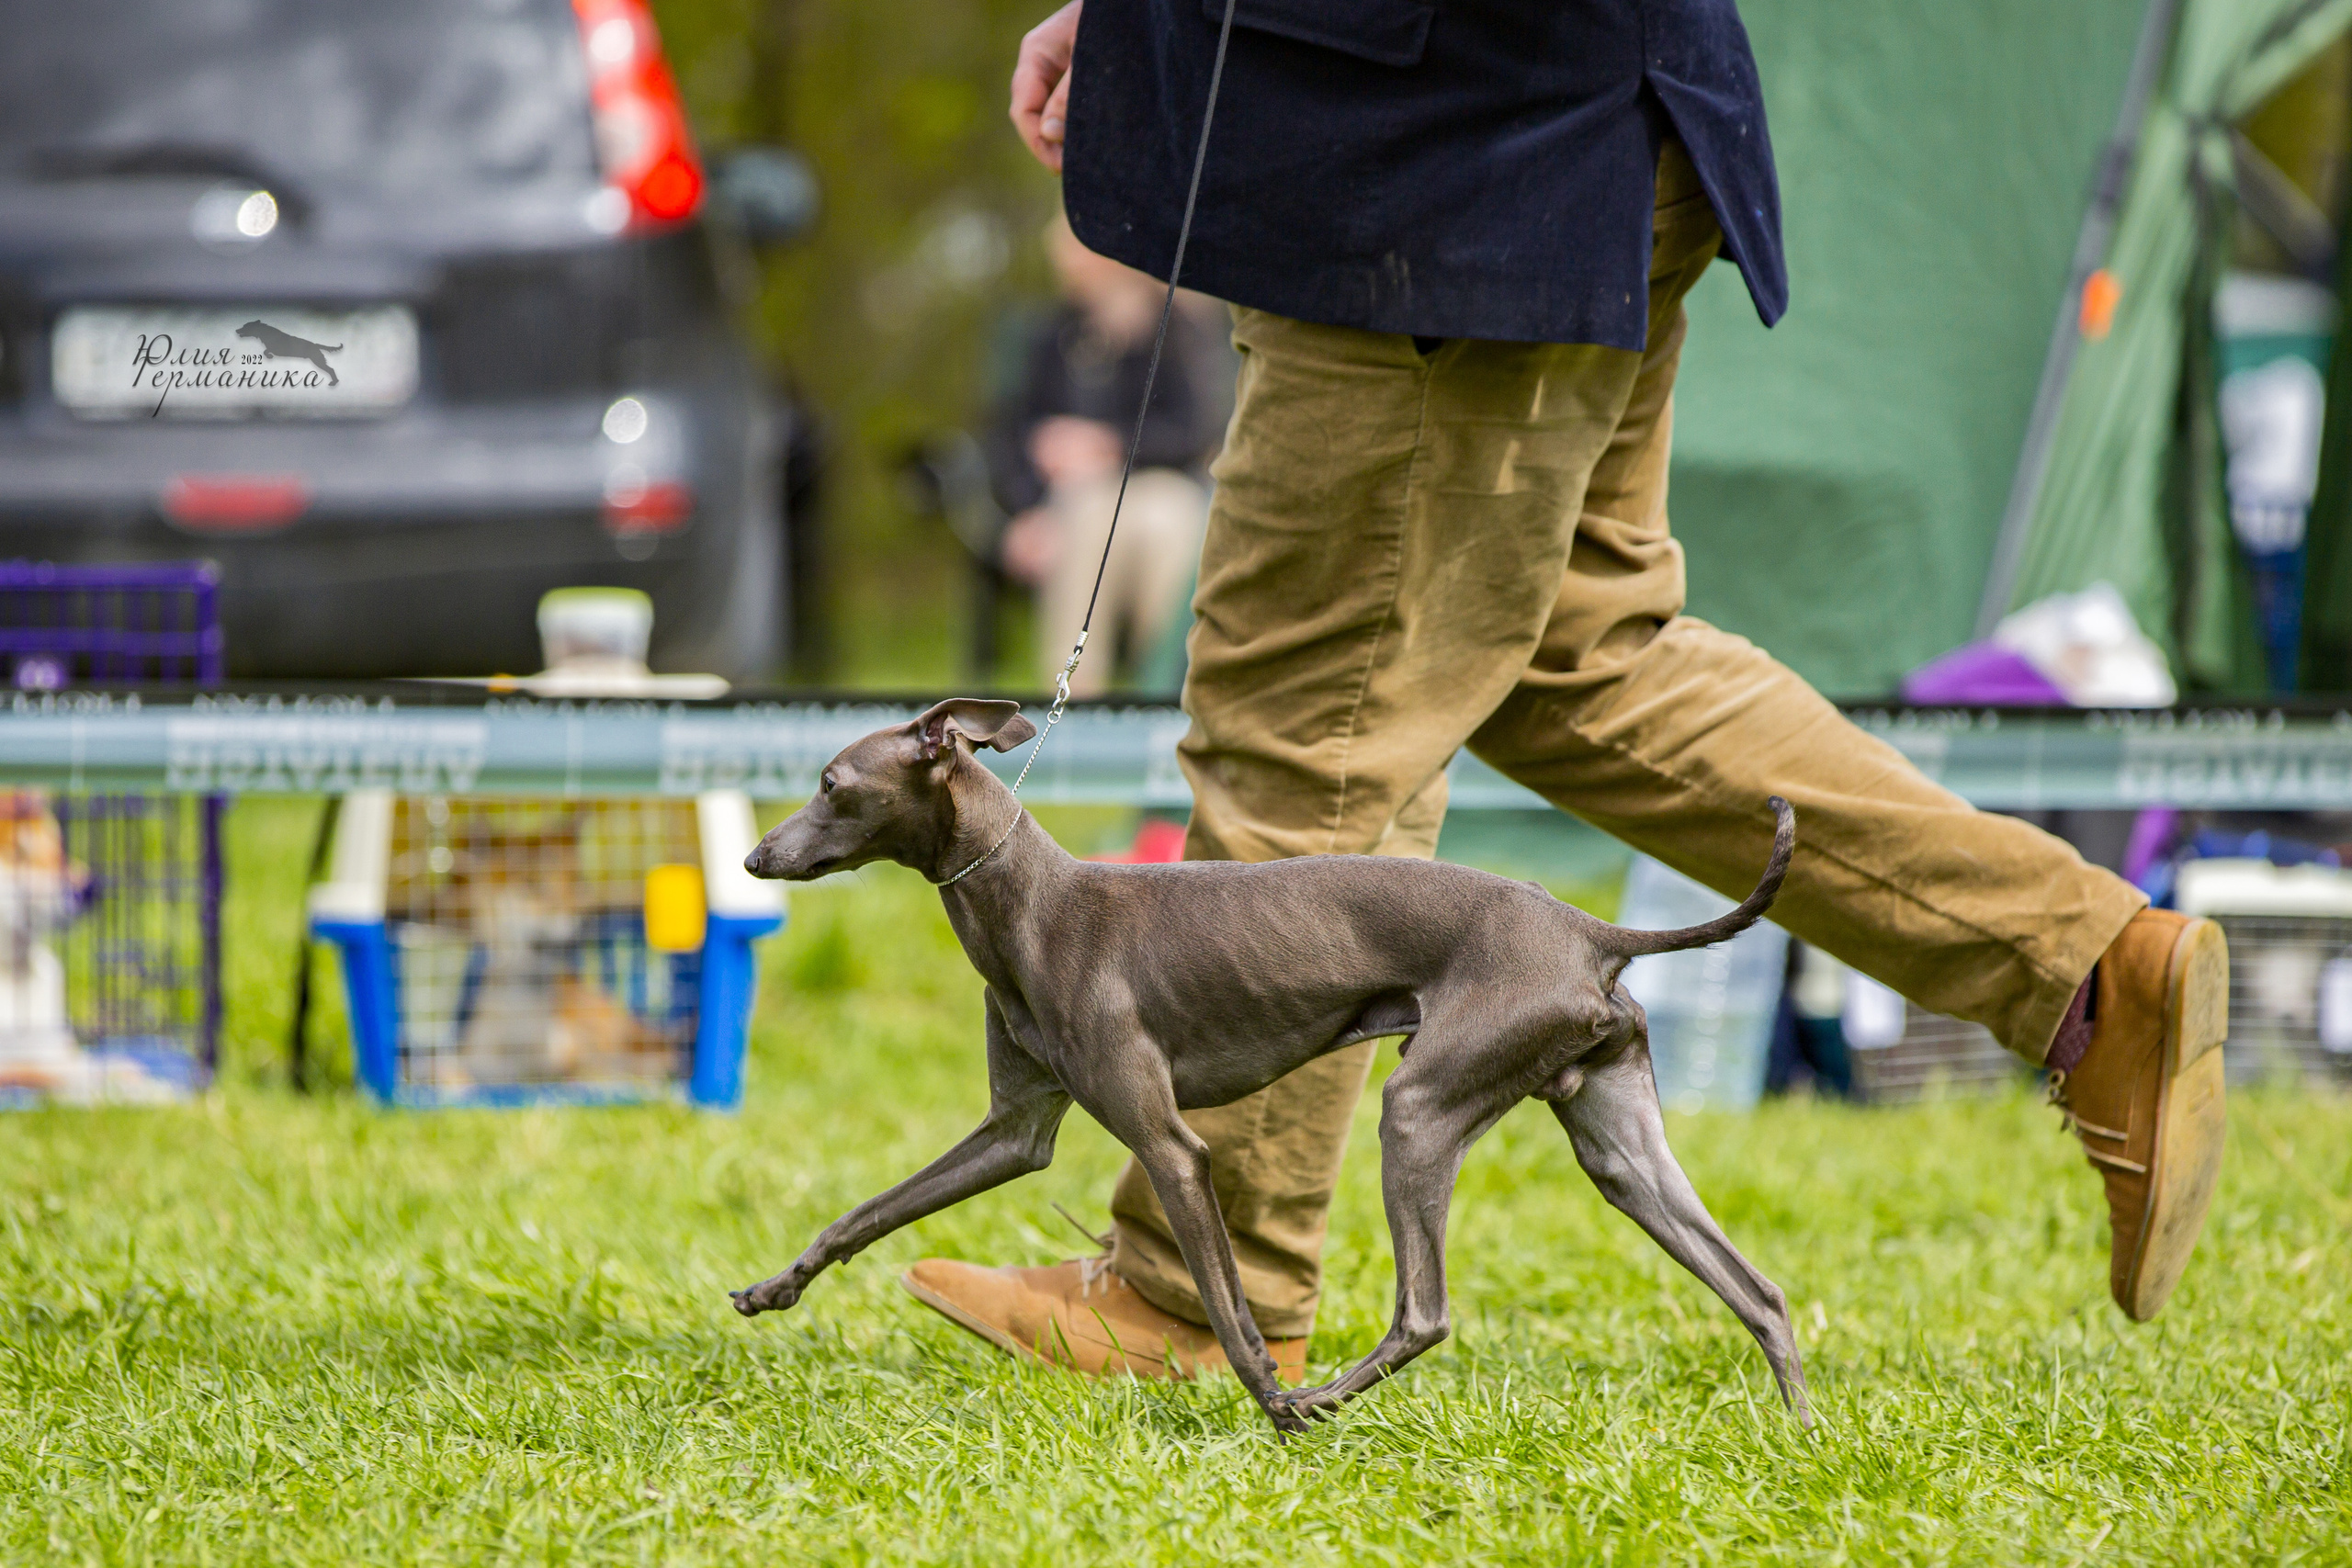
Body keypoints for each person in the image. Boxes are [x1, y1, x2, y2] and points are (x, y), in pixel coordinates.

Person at [899, 0, 2229, 1382]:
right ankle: (2087, 974)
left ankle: (1193, 1295)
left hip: (1437, 169)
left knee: (1317, 716)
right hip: (1578, 134)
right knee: (1574, 656)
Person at [989, 215, 1225, 696]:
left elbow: (1194, 432)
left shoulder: (1177, 331)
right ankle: (1072, 698)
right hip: (1070, 501)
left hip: (1165, 488)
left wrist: (1108, 445)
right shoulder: (1047, 335)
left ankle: (1164, 693)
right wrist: (1026, 511)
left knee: (1164, 522)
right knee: (1089, 514)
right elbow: (1010, 436)